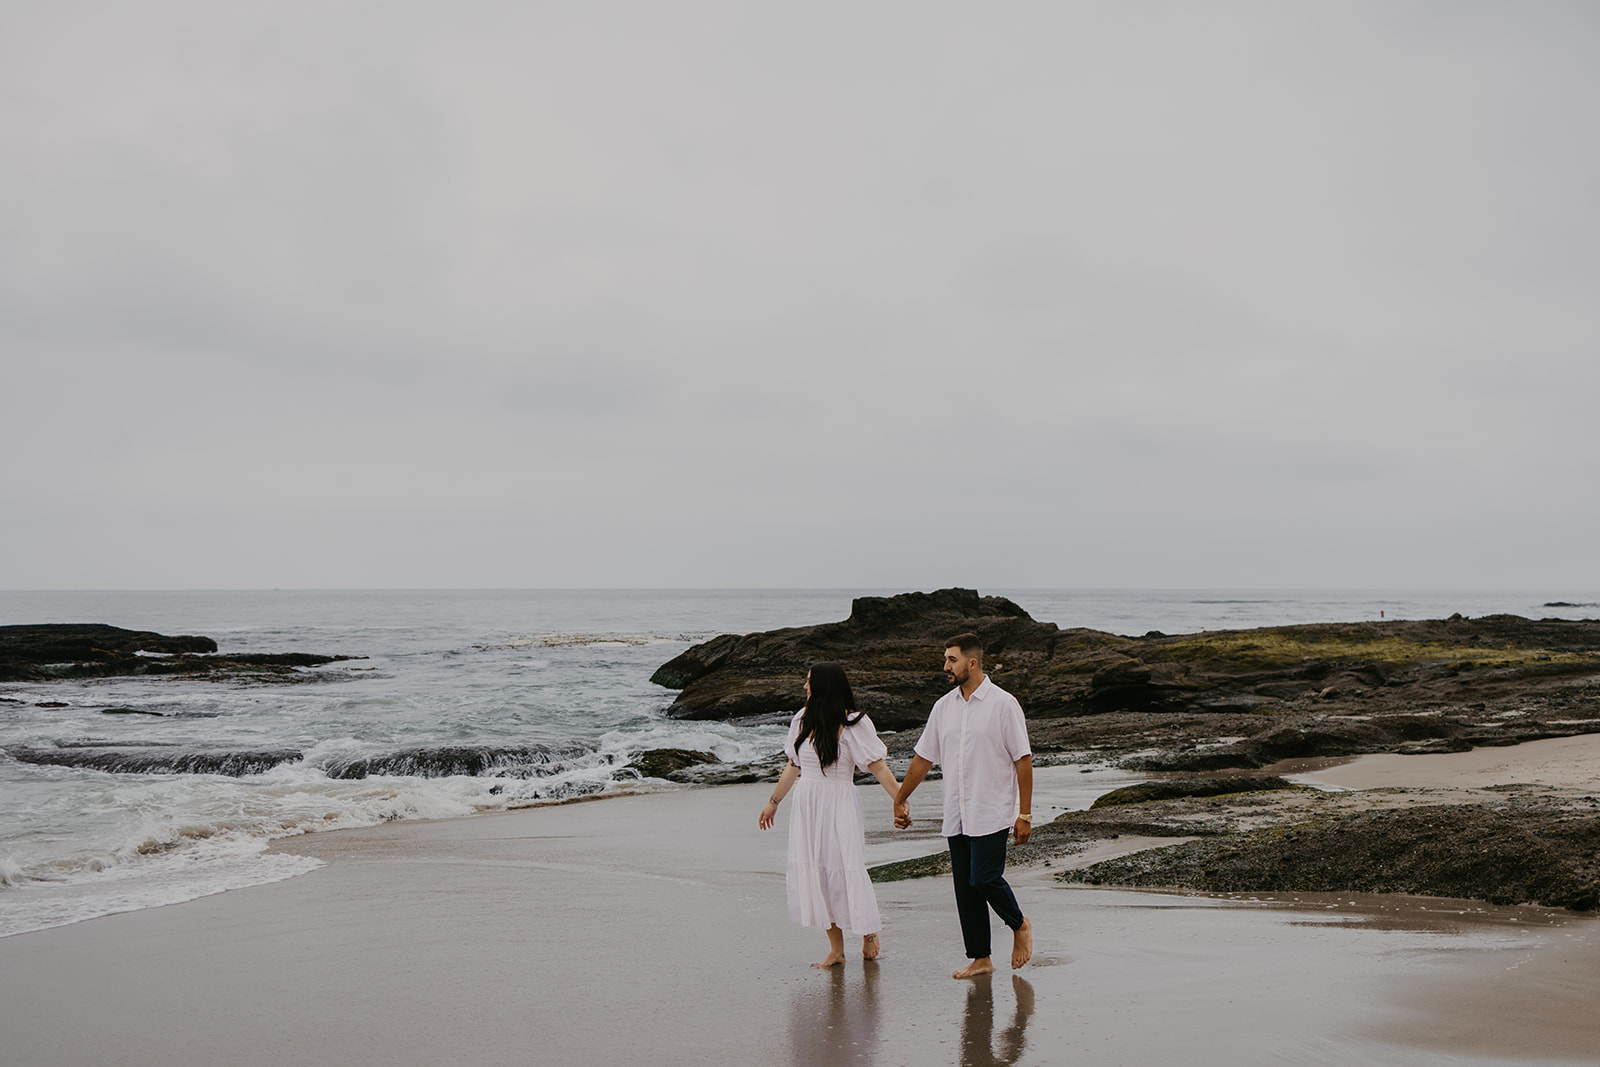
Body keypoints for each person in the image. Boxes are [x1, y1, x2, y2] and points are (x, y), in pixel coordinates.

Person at [894, 633, 1034, 979]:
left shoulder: (1003, 704)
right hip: (956, 812)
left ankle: (1019, 924)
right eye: (945, 659)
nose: (946, 666)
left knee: (984, 878)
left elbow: (1023, 760)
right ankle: (981, 958)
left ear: (972, 663)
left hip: (991, 809)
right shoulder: (943, 707)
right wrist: (900, 797)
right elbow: (923, 758)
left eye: (951, 660)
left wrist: (1025, 813)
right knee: (965, 887)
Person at [759, 662, 903, 968]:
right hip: (807, 802)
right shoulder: (801, 719)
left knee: (846, 867)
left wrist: (900, 800)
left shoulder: (854, 724)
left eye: (809, 681)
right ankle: (836, 950)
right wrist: (773, 801)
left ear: (824, 686)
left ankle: (868, 930)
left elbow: (878, 767)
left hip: (839, 801)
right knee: (817, 873)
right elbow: (794, 766)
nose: (804, 686)